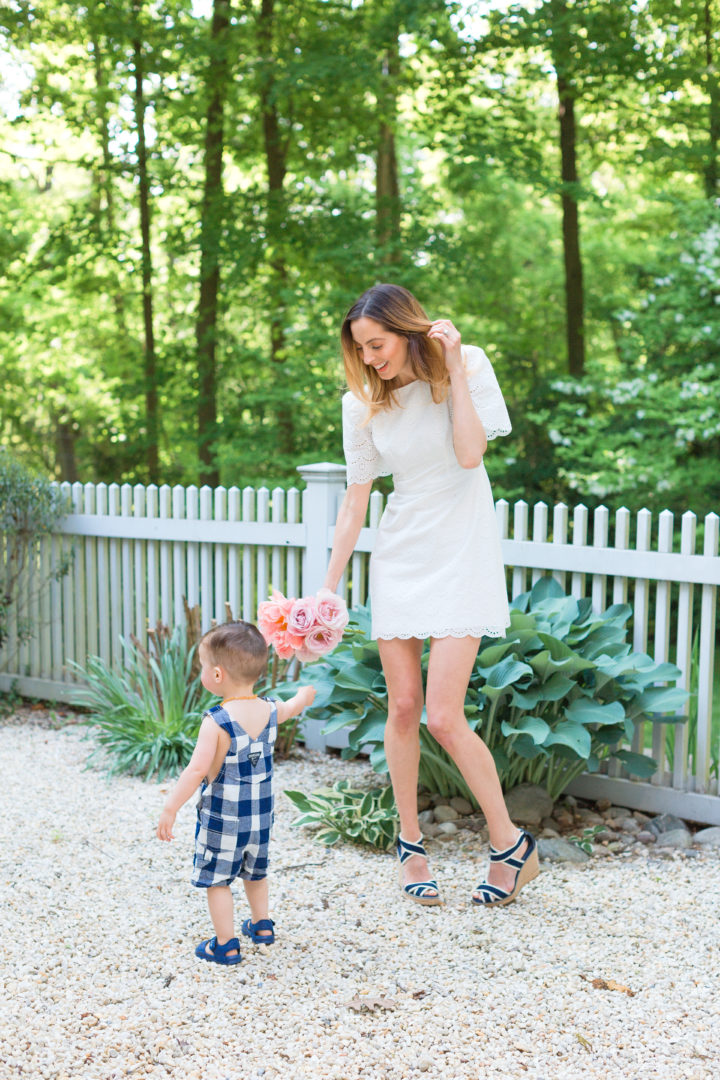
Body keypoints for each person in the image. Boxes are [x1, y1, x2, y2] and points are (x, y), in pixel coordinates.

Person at [323, 283, 538, 908]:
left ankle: (510, 846)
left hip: (461, 548)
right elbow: (355, 501)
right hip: (401, 551)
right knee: (401, 707)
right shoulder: (359, 405)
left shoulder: (465, 364)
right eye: (359, 349)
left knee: (443, 717)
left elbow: (471, 454)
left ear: (407, 330)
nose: (369, 359)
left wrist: (453, 370)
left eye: (378, 344)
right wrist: (327, 591)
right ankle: (410, 844)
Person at [157, 621, 316, 964]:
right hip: (259, 822)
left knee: (218, 881)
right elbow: (292, 705)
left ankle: (225, 943)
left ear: (216, 675)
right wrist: (304, 696)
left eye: (201, 666)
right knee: (255, 873)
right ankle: (261, 926)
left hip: (223, 823)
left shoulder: (216, 721)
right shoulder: (271, 709)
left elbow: (197, 770)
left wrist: (171, 807)